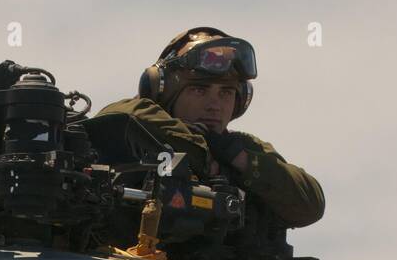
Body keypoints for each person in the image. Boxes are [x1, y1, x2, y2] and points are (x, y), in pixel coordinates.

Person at [96, 26, 325, 228]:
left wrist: (239, 159)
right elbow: (120, 114)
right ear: (164, 91)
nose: (214, 105)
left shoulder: (240, 148)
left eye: (225, 93)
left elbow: (310, 204)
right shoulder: (133, 121)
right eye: (199, 90)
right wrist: (205, 154)